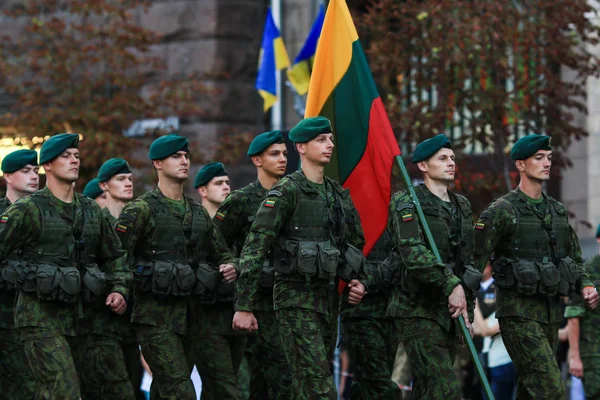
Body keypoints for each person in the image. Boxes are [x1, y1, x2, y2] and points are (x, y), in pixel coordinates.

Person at [232, 116, 369, 400]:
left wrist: (359, 281)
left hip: (328, 301)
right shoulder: (285, 192)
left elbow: (353, 244)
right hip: (294, 300)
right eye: (321, 140)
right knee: (320, 387)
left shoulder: (336, 194)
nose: (329, 144)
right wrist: (244, 305)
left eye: (330, 139)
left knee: (304, 387)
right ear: (301, 147)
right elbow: (254, 248)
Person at [0, 133, 132, 399]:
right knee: (64, 392)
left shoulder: (92, 210)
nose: (74, 160)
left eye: (76, 156)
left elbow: (115, 256)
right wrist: (22, 275)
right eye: (65, 156)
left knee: (100, 390)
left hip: (86, 320)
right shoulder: (27, 210)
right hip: (40, 319)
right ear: (47, 165)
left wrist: (119, 289)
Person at [473, 134, 599, 399]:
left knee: (532, 391)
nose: (546, 164)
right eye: (539, 158)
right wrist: (460, 298)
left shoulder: (557, 212)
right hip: (517, 315)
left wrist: (585, 284)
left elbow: (574, 259)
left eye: (549, 158)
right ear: (520, 164)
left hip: (550, 313)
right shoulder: (501, 210)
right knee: (552, 387)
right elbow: (474, 260)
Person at [115, 134, 237, 400]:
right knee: (180, 390)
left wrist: (229, 265)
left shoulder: (198, 213)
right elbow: (116, 257)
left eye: (186, 156)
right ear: (158, 163)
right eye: (176, 157)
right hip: (154, 317)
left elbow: (222, 254)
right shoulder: (141, 210)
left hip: (193, 316)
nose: (184, 161)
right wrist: (121, 290)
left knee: (166, 389)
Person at [387, 134, 481, 399]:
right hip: (416, 309)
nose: (451, 163)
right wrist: (449, 283)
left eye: (452, 158)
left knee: (428, 391)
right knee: (444, 388)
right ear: (423, 166)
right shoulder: (406, 201)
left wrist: (468, 312)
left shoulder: (462, 205)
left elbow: (468, 265)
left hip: (448, 313)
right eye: (442, 158)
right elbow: (412, 252)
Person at [213, 130, 292, 399]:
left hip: (293, 299)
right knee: (283, 377)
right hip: (259, 303)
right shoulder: (241, 200)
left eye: (284, 153)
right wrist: (233, 263)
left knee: (263, 383)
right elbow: (214, 246)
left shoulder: (296, 197)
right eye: (274, 154)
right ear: (257, 160)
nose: (282, 159)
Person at [193, 161, 244, 399]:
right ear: (202, 190)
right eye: (218, 183)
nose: (226, 187)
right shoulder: (194, 225)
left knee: (217, 390)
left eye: (227, 183)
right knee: (227, 389)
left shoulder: (236, 227)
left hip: (233, 316)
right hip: (206, 319)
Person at [97, 157, 146, 400]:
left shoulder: (140, 222)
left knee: (136, 387)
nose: (128, 183)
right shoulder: (95, 222)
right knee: (118, 390)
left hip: (135, 323)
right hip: (104, 323)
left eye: (129, 178)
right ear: (104, 186)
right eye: (120, 179)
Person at [340, 231, 402, 399]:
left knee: (365, 386)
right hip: (360, 312)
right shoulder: (350, 208)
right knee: (379, 385)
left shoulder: (403, 209)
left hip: (390, 310)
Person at [0, 149, 39, 399]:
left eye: (36, 170)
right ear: (7, 177)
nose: (34, 176)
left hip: (37, 320)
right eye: (25, 171)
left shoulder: (47, 215)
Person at [565, 224, 600, 399]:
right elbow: (573, 318)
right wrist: (575, 357)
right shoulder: (586, 274)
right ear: (599, 240)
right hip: (594, 357)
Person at [473, 264, 516, 400]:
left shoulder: (510, 312)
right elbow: (477, 330)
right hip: (490, 359)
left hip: (504, 362)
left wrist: (475, 306)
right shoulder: (496, 313)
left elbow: (485, 330)